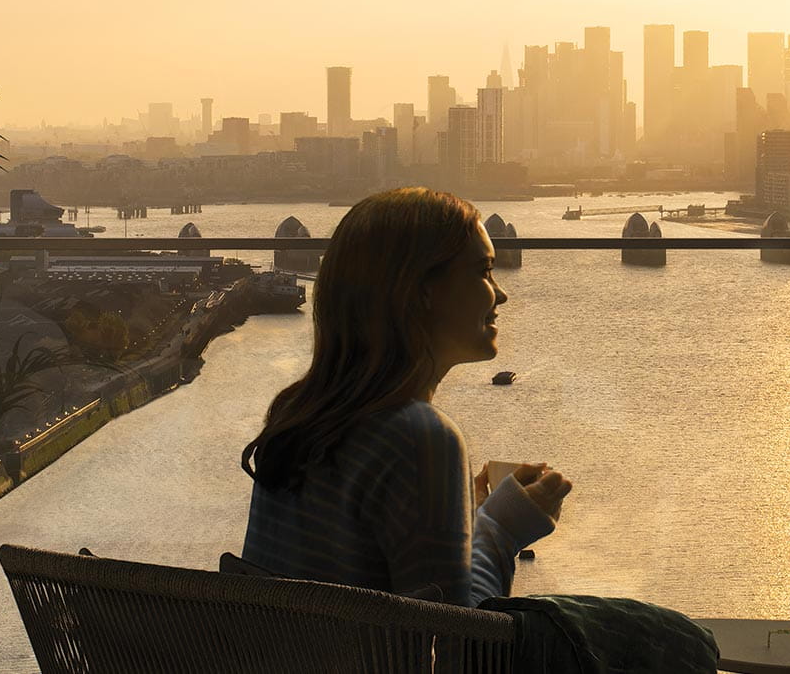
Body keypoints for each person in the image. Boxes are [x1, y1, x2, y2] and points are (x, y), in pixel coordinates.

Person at [240, 187, 572, 606]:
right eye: (484, 271)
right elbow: (454, 640)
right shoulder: (420, 438)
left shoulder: (298, 415)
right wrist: (503, 528)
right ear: (421, 290)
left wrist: (464, 516)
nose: (500, 293)